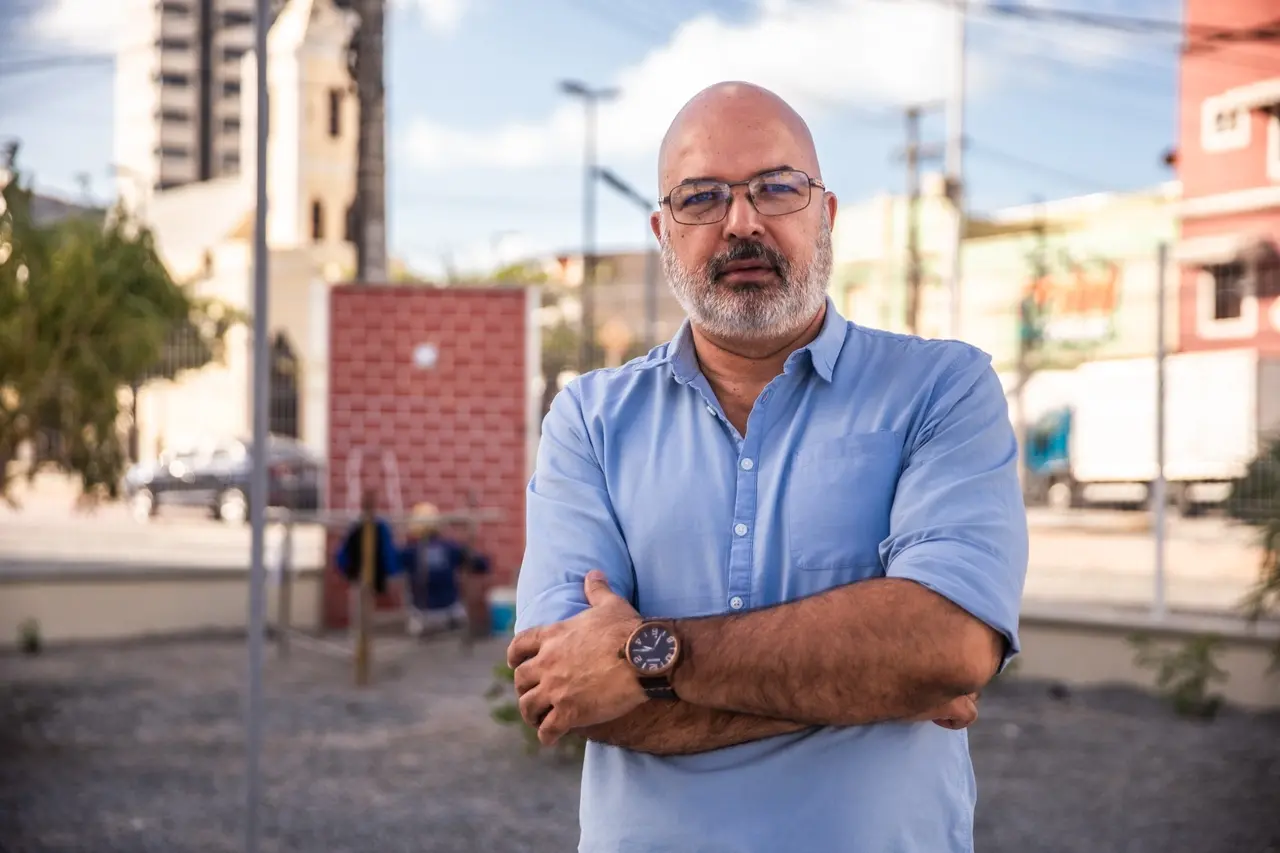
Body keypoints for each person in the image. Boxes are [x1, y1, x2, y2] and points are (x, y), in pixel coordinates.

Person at [507, 81, 1029, 853]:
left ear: (826, 214)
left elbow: (946, 649)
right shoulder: (589, 419)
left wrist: (649, 654)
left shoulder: (941, 389)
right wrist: (881, 681)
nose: (741, 222)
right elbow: (567, 689)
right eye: (701, 197)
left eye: (777, 188)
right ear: (663, 232)